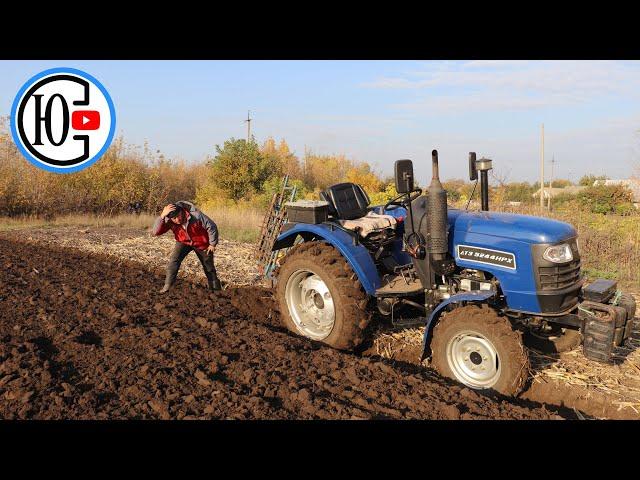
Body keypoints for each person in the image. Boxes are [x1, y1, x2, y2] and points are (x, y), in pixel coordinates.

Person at [153, 201, 222, 293]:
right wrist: (162, 216)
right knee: (174, 261)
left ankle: (215, 290)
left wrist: (212, 244)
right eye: (174, 218)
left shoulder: (196, 215)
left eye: (178, 216)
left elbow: (211, 226)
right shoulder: (169, 220)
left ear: (182, 211)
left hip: (201, 243)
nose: (177, 220)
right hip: (183, 241)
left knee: (208, 266)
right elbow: (156, 232)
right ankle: (167, 286)